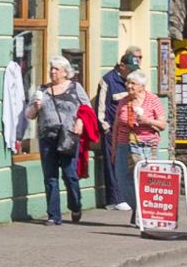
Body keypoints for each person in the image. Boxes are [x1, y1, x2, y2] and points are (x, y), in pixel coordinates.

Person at [25, 57, 90, 226]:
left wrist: (80, 122)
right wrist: (36, 107)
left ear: (65, 72)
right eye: (51, 68)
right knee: (50, 177)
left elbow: (87, 108)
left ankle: (75, 205)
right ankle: (53, 215)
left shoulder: (75, 87)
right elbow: (29, 115)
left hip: (68, 136)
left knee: (70, 175)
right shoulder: (42, 90)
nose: (52, 72)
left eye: (56, 69)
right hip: (47, 137)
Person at [95, 47, 141, 212]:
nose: (131, 73)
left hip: (129, 131)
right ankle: (114, 199)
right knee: (113, 164)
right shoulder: (108, 80)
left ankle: (128, 197)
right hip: (111, 131)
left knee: (128, 166)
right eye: (129, 69)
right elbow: (101, 106)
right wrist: (106, 128)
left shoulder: (131, 82)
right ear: (122, 66)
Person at [112, 70, 166, 197]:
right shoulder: (123, 102)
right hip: (124, 145)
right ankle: (137, 209)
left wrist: (147, 121)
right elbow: (116, 126)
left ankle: (143, 211)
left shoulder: (153, 100)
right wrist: (114, 149)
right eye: (128, 82)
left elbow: (162, 125)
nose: (129, 86)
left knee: (146, 180)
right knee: (122, 179)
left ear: (142, 86)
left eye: (133, 83)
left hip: (147, 146)